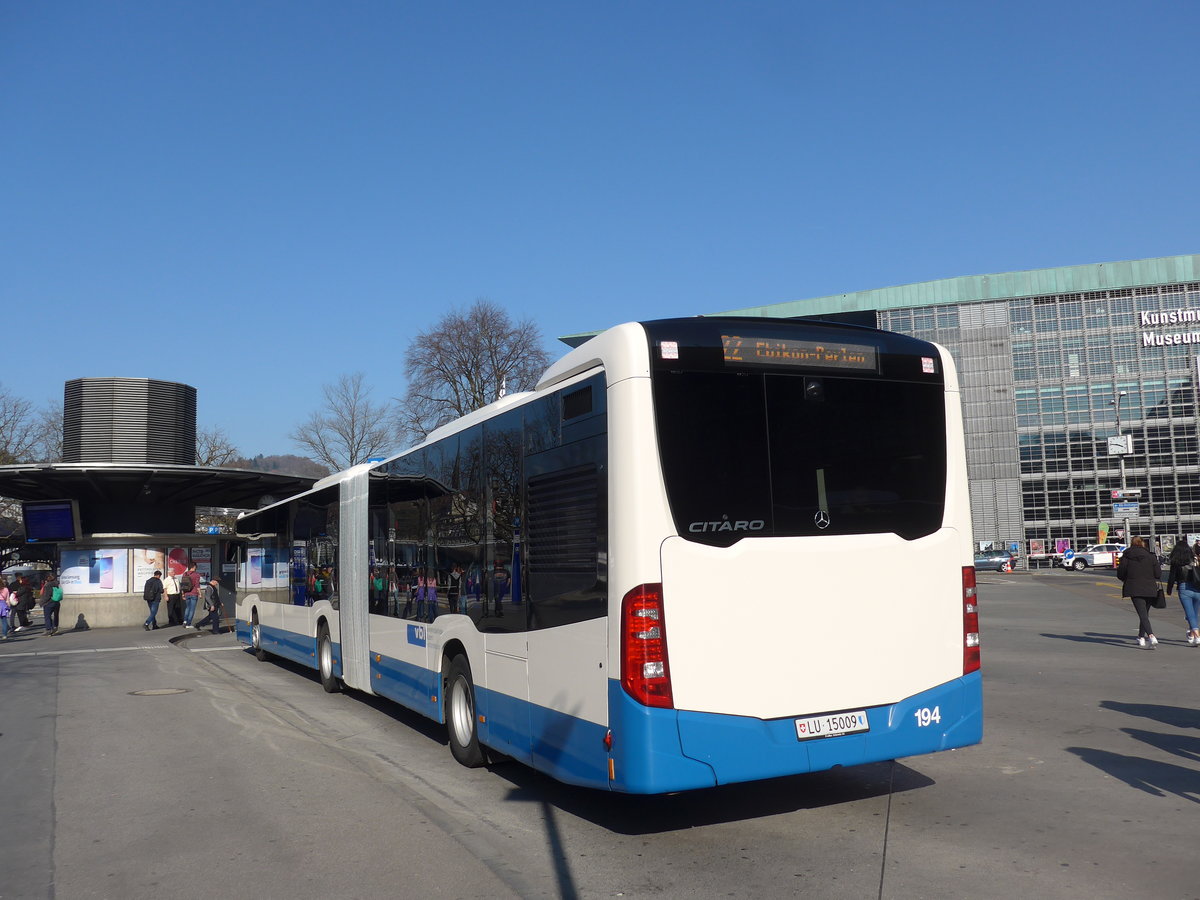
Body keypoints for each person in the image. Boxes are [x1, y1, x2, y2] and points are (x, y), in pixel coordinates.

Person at [1117, 536, 1162, 648]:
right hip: (1150, 588)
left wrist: (1126, 579)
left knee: (1142, 614)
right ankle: (1141, 637)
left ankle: (1151, 636)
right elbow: (1158, 574)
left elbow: (1120, 573)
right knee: (1144, 614)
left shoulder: (1126, 556)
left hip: (1134, 587)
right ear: (1143, 544)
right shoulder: (1151, 556)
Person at [1165, 535, 1200, 646]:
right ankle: (1191, 634)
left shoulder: (1176, 561)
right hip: (1198, 587)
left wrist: (1169, 589)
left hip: (1184, 587)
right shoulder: (1195, 558)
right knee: (1194, 613)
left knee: (1190, 613)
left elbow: (1171, 577)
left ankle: (1197, 635)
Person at [180, 563, 200, 629]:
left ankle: (185, 621)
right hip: (194, 593)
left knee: (187, 608)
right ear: (194, 567)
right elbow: (197, 585)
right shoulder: (196, 575)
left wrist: (183, 594)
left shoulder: (185, 574)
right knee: (192, 609)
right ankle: (188, 624)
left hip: (186, 593)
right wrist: (200, 593)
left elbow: (182, 585)